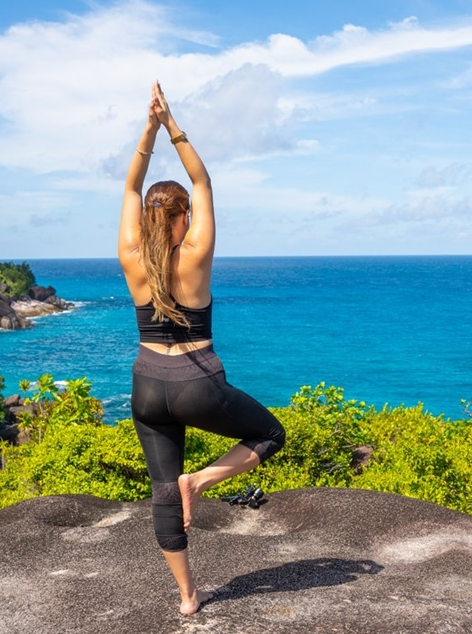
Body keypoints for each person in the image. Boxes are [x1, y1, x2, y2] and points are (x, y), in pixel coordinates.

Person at [118, 81, 286, 615]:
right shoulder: (194, 255)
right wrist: (172, 125)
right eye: (186, 214)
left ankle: (189, 598)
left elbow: (129, 190)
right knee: (269, 433)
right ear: (181, 217)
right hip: (197, 384)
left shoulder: (130, 257)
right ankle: (203, 480)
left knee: (162, 492)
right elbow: (202, 177)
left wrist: (146, 130)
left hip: (147, 386)